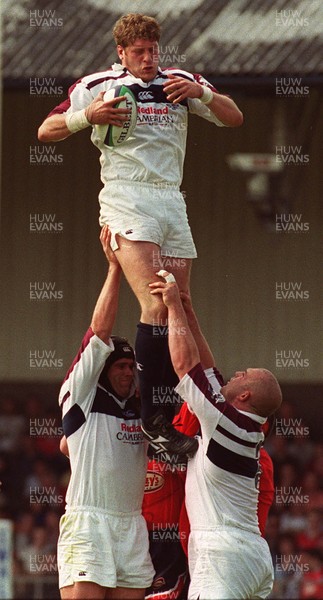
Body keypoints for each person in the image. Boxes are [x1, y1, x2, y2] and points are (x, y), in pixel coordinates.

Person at [37, 12, 243, 457]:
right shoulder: (98, 86)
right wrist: (86, 117)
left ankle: (191, 406)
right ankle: (155, 422)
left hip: (171, 198)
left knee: (180, 306)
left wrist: (202, 92)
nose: (149, 59)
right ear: (121, 53)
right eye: (140, 52)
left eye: (154, 50)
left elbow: (234, 117)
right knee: (156, 299)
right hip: (127, 198)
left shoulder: (180, 81)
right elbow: (45, 130)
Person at [149, 272, 282, 600]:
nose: (236, 373)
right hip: (249, 559)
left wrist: (172, 306)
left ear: (245, 395)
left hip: (224, 557)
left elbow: (185, 366)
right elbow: (209, 375)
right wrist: (189, 316)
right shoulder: (239, 426)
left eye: (244, 375)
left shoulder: (225, 423)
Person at [57, 225, 154, 600]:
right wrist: (115, 268)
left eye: (132, 367)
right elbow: (99, 333)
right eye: (120, 366)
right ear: (101, 370)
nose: (128, 373)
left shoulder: (141, 411)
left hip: (131, 525)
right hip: (89, 522)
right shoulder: (80, 396)